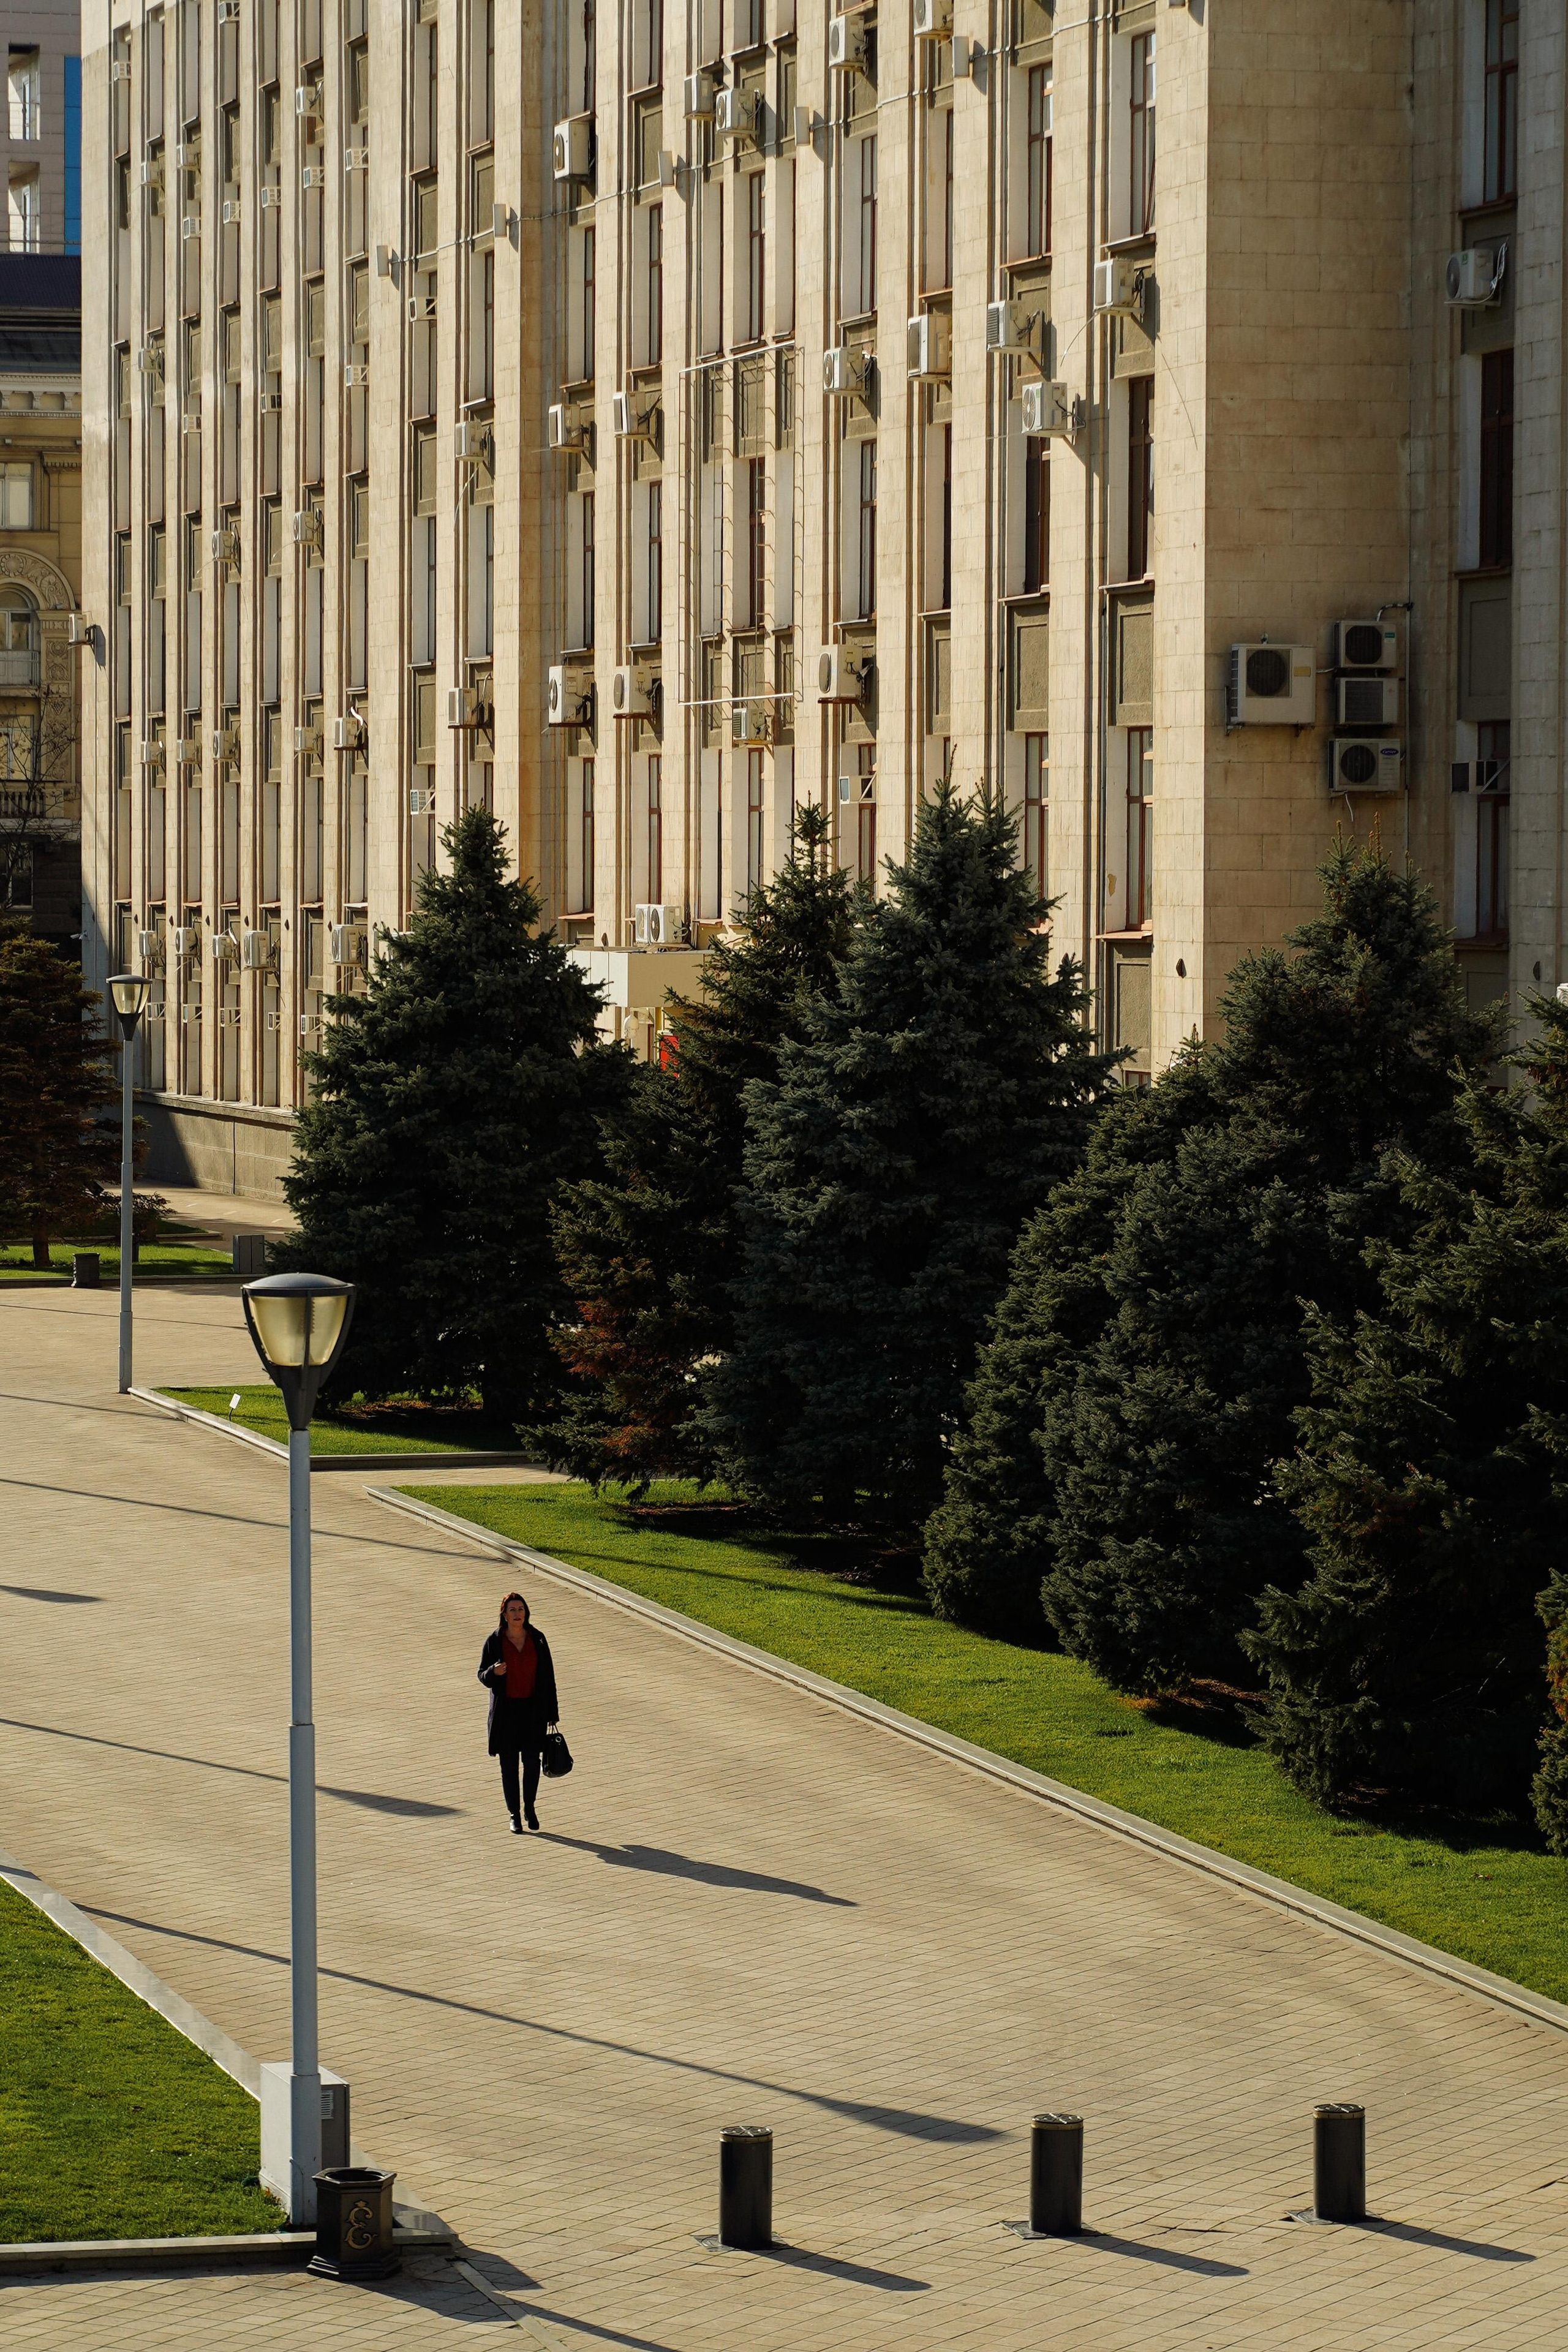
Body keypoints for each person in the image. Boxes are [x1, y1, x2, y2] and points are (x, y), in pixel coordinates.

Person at [477, 1591, 560, 1833]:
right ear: (504, 1614)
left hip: (533, 1712)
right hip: (507, 1713)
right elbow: (482, 1675)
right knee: (509, 1765)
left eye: (521, 1609)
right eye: (512, 1610)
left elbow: (549, 1678)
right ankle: (514, 1814)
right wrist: (494, 1672)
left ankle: (530, 1808)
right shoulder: (495, 1641)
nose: (517, 1614)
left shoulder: (538, 1639)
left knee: (532, 1763)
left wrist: (552, 1713)